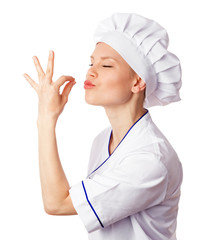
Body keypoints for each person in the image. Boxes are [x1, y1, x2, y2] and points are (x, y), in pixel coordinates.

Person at [24, 13, 183, 240]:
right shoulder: (103, 139)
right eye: (92, 62)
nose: (91, 71)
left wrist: (46, 119)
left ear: (138, 82)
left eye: (106, 64)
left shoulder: (150, 159)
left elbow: (57, 204)